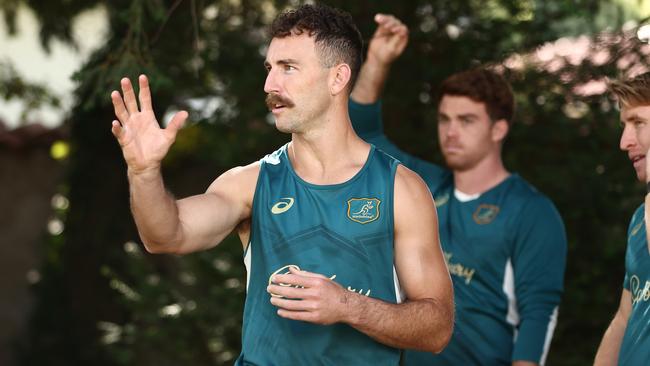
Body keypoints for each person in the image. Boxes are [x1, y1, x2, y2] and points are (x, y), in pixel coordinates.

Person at [109, 4, 454, 366]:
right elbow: (165, 235)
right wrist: (144, 172)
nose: (270, 85)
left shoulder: (399, 188)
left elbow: (437, 329)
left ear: (337, 79)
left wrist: (347, 306)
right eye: (270, 68)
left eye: (288, 68)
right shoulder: (251, 183)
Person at [348, 15, 567, 366]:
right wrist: (377, 60)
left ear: (498, 129)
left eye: (466, 121)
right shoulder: (420, 185)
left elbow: (538, 317)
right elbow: (360, 134)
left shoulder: (531, 211)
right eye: (444, 119)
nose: (451, 132)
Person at [594, 73, 650, 365]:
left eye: (638, 123)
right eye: (624, 125)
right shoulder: (641, 217)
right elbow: (625, 317)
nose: (624, 142)